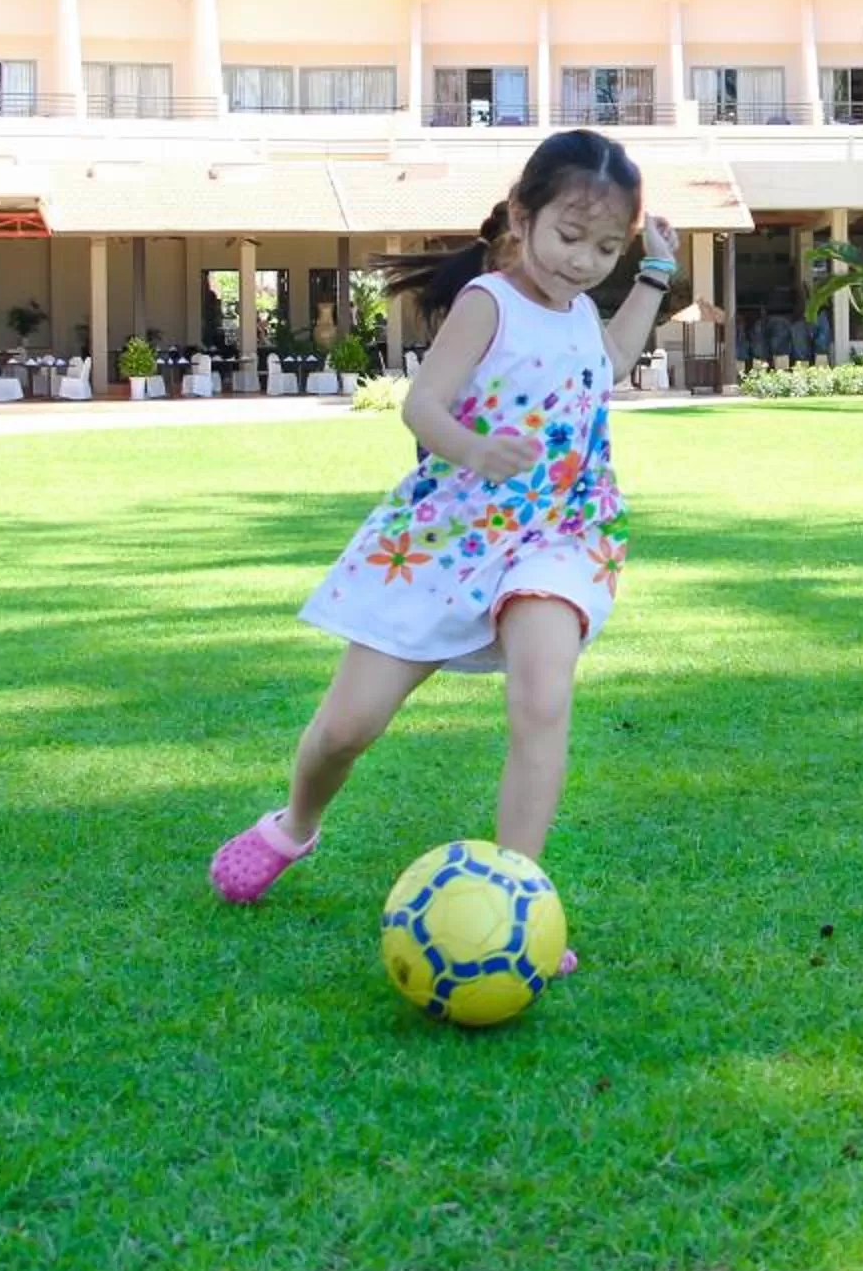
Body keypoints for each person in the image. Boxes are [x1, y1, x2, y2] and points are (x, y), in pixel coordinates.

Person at [209, 130, 679, 947]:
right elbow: (421, 405)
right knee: (347, 730)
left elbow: (606, 361)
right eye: (570, 237)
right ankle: (293, 826)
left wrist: (654, 274)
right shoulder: (488, 302)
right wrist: (474, 450)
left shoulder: (580, 311)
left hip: (559, 534)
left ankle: (517, 906)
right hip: (449, 539)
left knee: (544, 697)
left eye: (607, 248)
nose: (583, 263)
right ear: (523, 217)